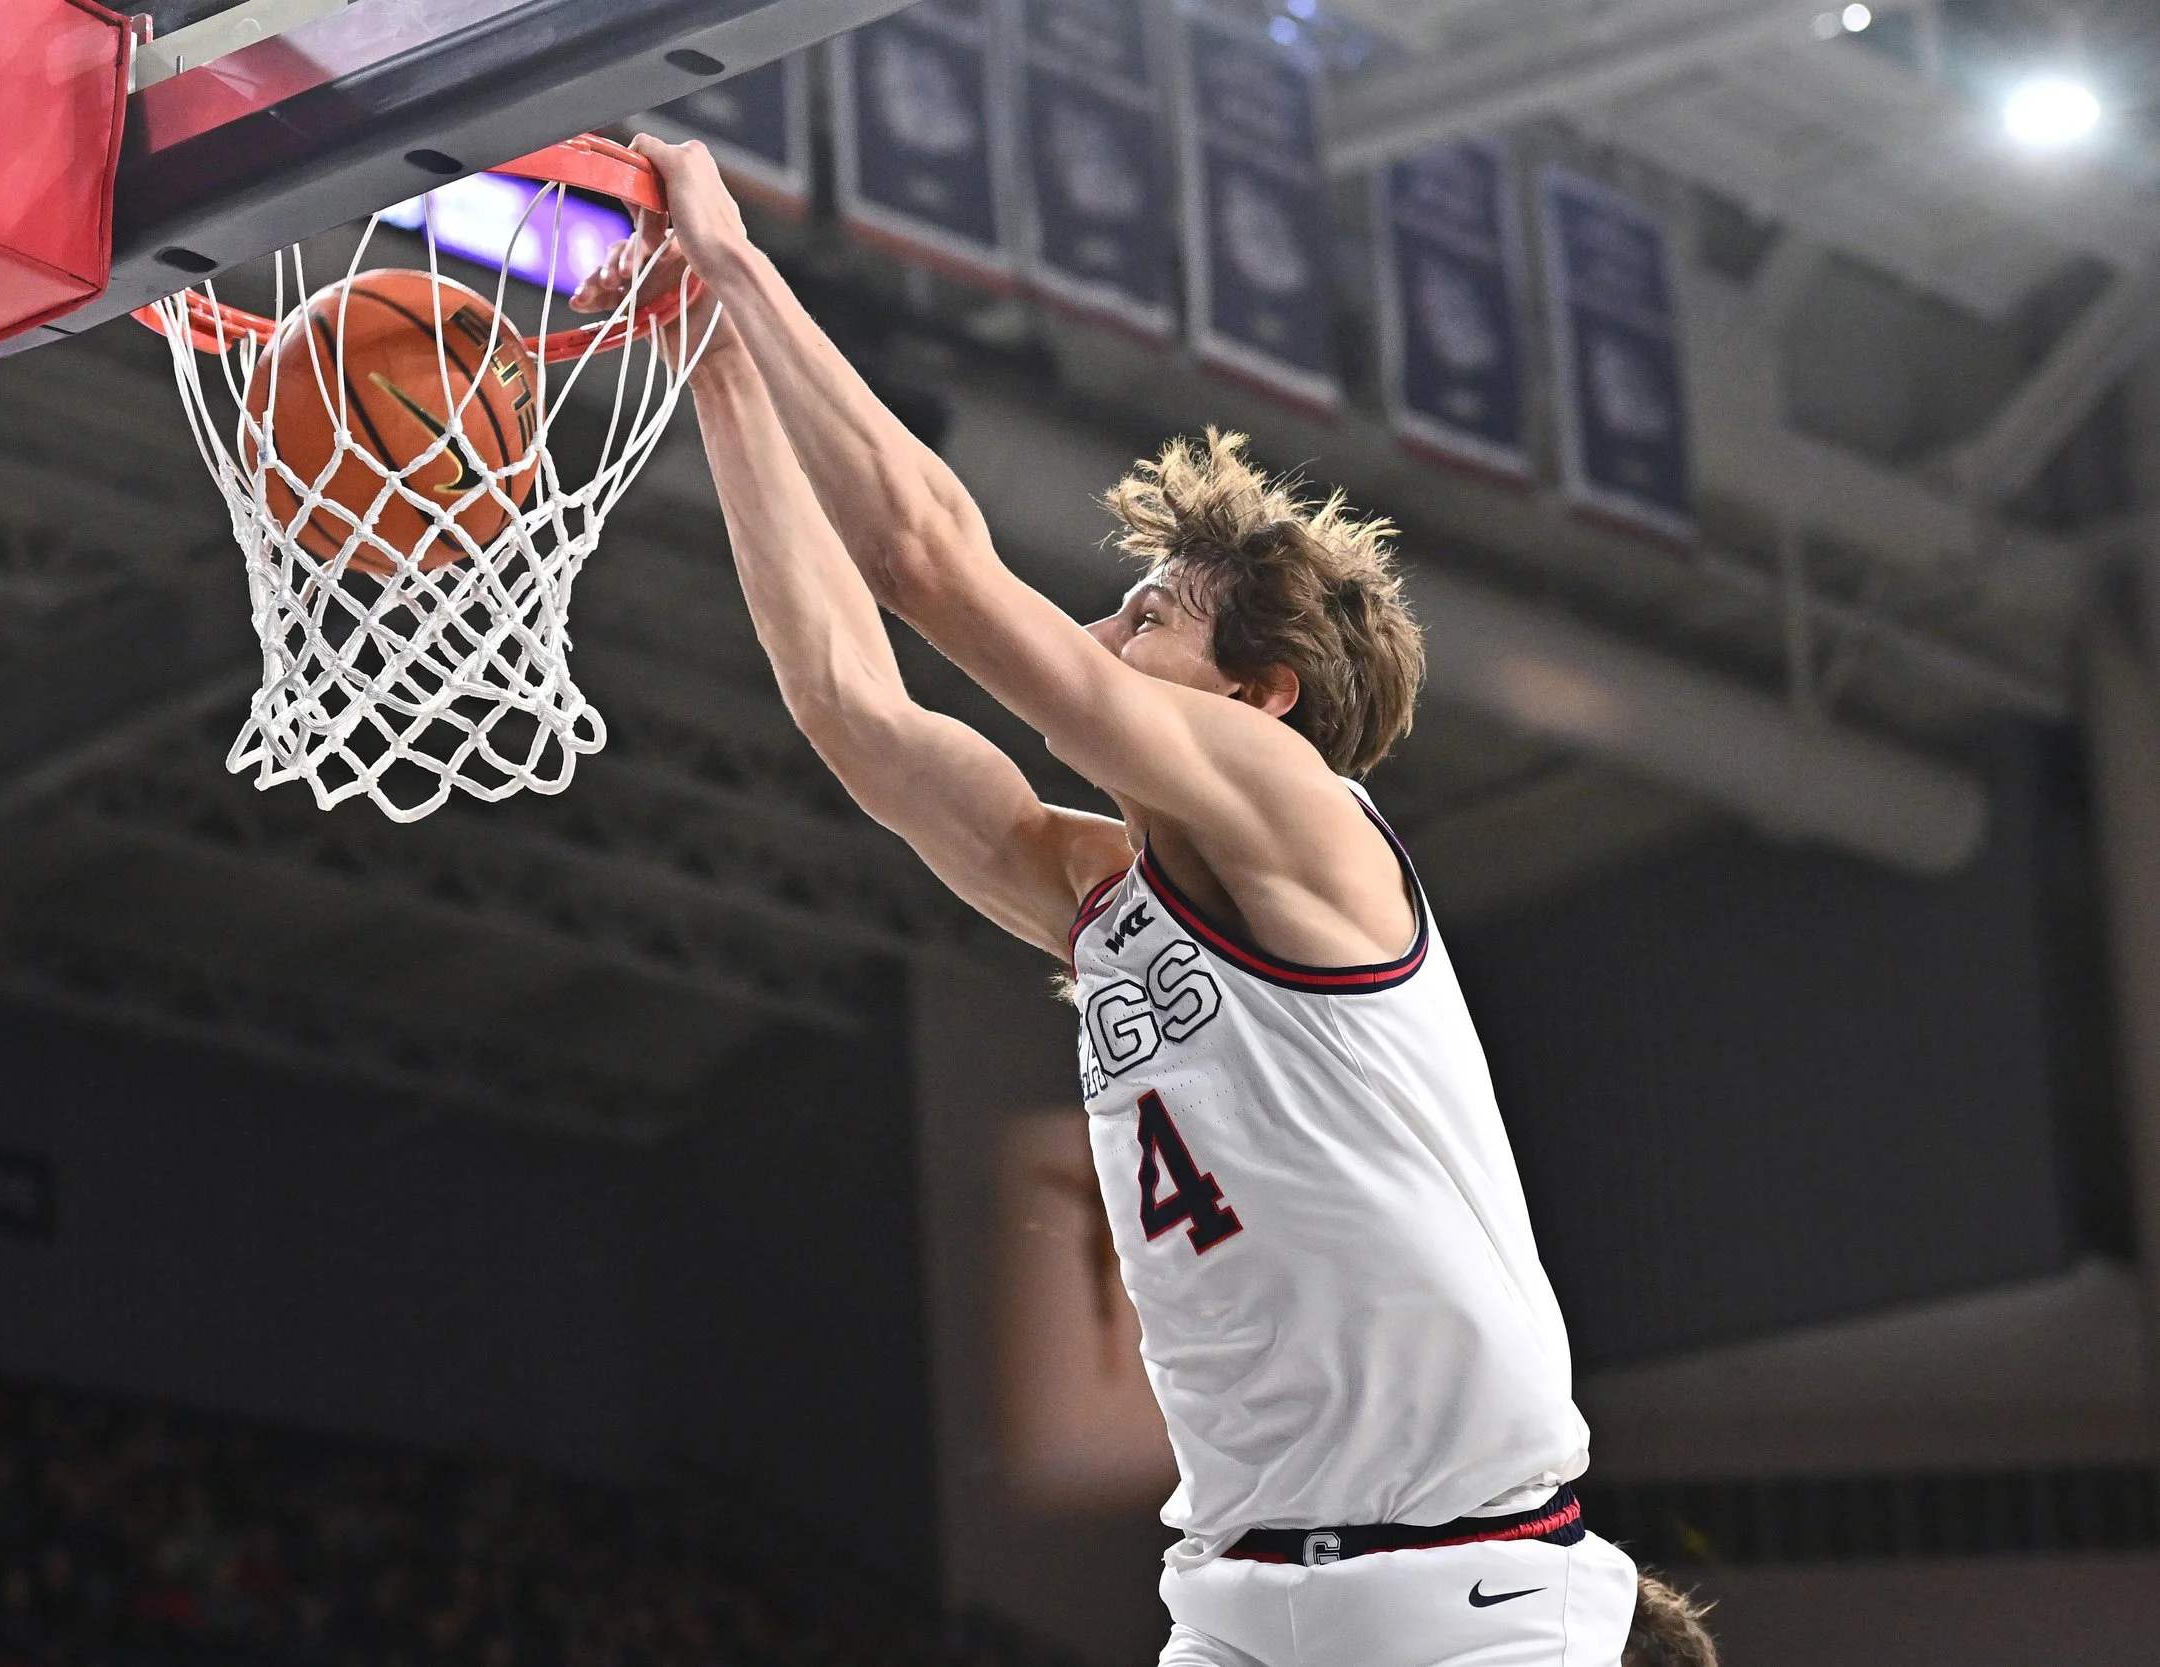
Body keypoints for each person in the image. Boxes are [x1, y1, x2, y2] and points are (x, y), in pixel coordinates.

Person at [577, 134, 1715, 1667]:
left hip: (1468, 1593)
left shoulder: (1313, 823)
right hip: (1235, 1592)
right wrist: (709, 364)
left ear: (1263, 694)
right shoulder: (1105, 896)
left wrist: (734, 260)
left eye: (1149, 613)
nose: (1106, 633)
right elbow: (852, 704)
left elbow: (925, 559)